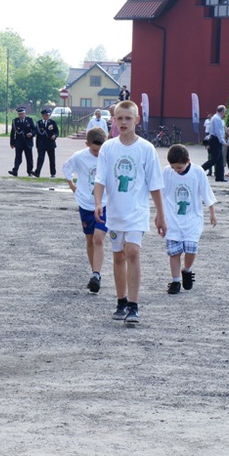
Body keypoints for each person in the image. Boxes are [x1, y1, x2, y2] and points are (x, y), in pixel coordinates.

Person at [93, 100, 166, 324]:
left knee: (132, 252)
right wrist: (98, 202)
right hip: (115, 212)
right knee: (118, 256)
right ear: (114, 120)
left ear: (137, 120)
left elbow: (155, 184)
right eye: (120, 118)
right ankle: (121, 300)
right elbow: (100, 179)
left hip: (137, 212)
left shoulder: (146, 148)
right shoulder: (108, 147)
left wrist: (160, 214)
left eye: (128, 118)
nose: (123, 122)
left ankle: (134, 305)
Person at [162, 144, 217, 294]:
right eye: (174, 167)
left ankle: (187, 270)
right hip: (172, 219)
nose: (176, 170)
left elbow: (206, 192)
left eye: (179, 167)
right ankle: (175, 281)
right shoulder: (167, 172)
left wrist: (212, 212)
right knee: (174, 252)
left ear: (188, 160)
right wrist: (159, 216)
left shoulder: (198, 172)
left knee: (191, 248)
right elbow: (161, 193)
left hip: (192, 218)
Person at [62, 127, 108, 293]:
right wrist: (72, 185)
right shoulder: (80, 157)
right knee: (90, 240)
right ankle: (95, 272)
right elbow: (66, 168)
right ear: (87, 144)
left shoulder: (108, 156)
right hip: (86, 204)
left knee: (98, 238)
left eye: (100, 150)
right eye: (94, 150)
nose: (97, 153)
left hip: (104, 203)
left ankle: (96, 274)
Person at [201, 105, 227, 182]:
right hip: (215, 140)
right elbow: (218, 132)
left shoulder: (217, 118)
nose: (225, 113)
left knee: (220, 160)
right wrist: (222, 141)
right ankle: (201, 169)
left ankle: (220, 177)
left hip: (216, 139)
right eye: (225, 111)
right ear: (222, 111)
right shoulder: (217, 119)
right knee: (215, 159)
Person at [8, 107, 36, 177]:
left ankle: (29, 171)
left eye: (22, 114)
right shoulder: (15, 121)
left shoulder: (29, 120)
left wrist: (31, 134)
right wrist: (12, 143)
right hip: (19, 142)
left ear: (25, 114)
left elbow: (35, 130)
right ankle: (15, 171)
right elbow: (13, 133)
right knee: (18, 158)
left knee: (29, 158)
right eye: (19, 114)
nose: (21, 115)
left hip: (28, 142)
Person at [34, 108, 59, 177]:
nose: (47, 116)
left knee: (52, 159)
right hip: (41, 144)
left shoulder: (52, 122)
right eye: (46, 115)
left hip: (50, 144)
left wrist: (55, 135)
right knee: (40, 159)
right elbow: (37, 131)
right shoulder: (39, 123)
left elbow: (56, 131)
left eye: (48, 115)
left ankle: (53, 173)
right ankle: (37, 172)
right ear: (43, 115)